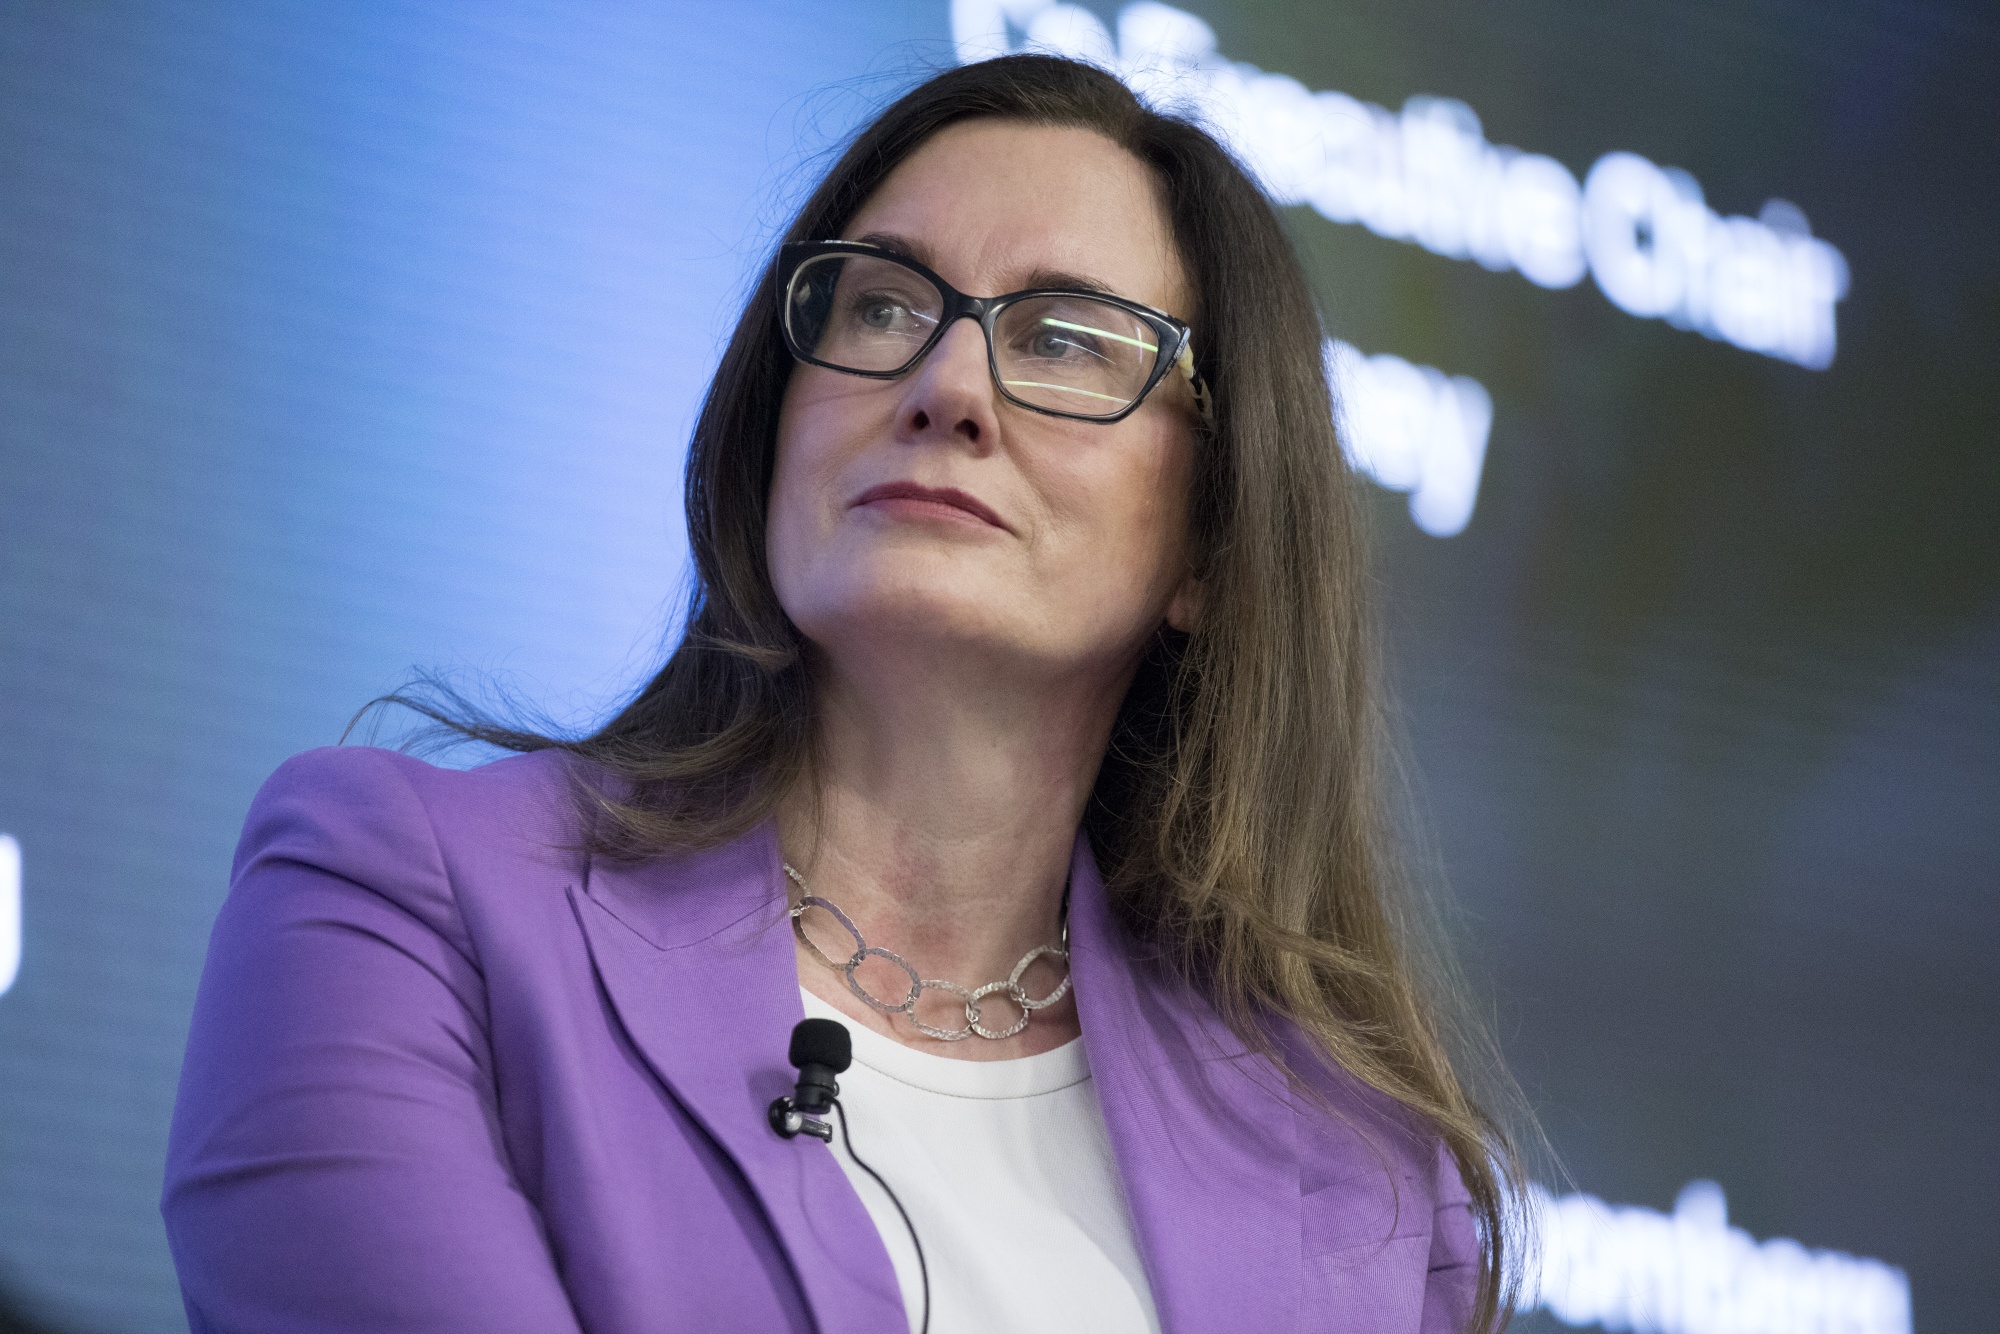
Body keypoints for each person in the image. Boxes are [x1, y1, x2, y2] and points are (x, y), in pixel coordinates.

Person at [163, 54, 1523, 1334]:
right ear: (776, 426)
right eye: (880, 306)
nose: (945, 385)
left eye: (1064, 342)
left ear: (1215, 540)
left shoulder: (1372, 1179)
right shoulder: (399, 901)